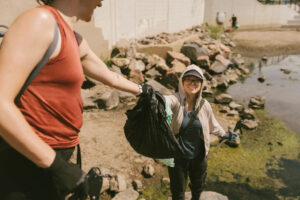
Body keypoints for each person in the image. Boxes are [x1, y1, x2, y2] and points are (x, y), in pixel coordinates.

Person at [0, 0, 143, 199]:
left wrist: (144, 91)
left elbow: (109, 76)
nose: (101, 3)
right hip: (25, 161)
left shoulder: (73, 38)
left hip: (51, 160)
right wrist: (55, 165)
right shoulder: (39, 21)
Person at [164, 65, 232, 200]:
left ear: (201, 84)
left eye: (196, 80)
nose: (192, 83)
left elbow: (213, 125)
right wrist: (155, 98)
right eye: (188, 79)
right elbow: (165, 100)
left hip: (199, 156)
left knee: (197, 187)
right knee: (178, 192)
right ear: (182, 82)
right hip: (178, 157)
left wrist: (224, 134)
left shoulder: (204, 105)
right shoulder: (175, 100)